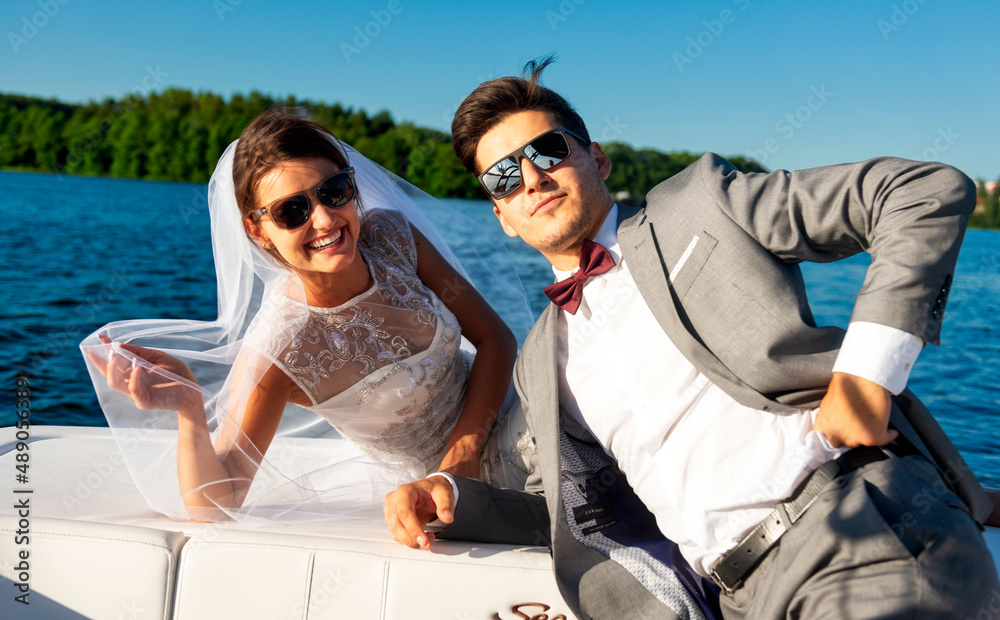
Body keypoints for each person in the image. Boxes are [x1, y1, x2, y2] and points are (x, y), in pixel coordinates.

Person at [384, 58, 1000, 619]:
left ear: (595, 160)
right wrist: (451, 498)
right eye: (502, 177)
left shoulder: (704, 205)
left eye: (547, 151)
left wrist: (867, 374)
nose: (531, 179)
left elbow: (921, 192)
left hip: (849, 531)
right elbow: (567, 513)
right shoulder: (541, 359)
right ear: (502, 217)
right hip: (731, 600)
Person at [81, 110, 535, 525]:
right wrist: (189, 410)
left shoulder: (391, 236)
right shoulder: (281, 347)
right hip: (450, 492)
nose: (324, 220)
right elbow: (217, 499)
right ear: (257, 229)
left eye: (334, 191)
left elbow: (495, 338)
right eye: (292, 211)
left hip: (513, 416)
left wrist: (463, 454)